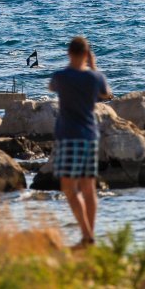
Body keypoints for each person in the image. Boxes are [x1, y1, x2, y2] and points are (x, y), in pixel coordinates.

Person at [48, 36, 112, 249]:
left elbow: (51, 87)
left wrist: (74, 65)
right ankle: (88, 237)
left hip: (69, 135)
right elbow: (107, 94)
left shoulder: (61, 76)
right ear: (87, 54)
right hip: (90, 135)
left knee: (69, 186)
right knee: (88, 187)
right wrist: (93, 67)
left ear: (69, 53)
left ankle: (87, 236)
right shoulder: (95, 78)